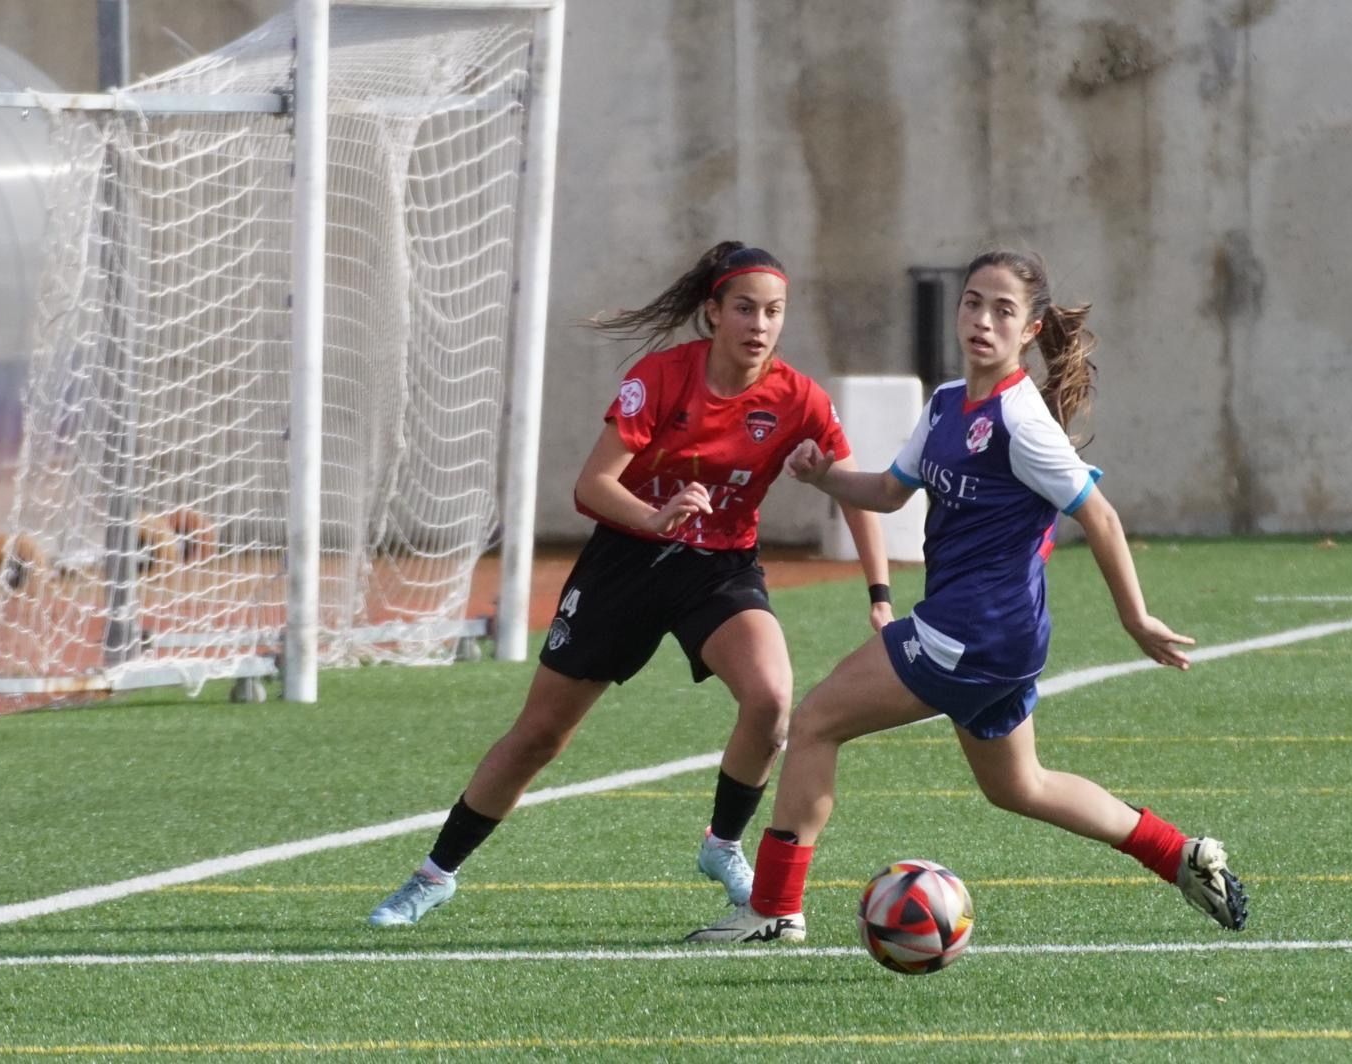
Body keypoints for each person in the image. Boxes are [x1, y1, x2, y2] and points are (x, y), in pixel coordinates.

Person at [687, 249, 1248, 944]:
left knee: (816, 721)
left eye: (1003, 310)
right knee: (1018, 786)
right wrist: (825, 478)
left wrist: (1134, 616)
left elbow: (1098, 514)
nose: (983, 319)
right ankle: (1179, 853)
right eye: (973, 302)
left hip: (971, 632)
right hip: (997, 640)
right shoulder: (949, 403)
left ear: (1031, 330)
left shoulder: (1021, 420)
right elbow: (891, 491)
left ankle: (773, 910)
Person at [369, 241, 894, 927]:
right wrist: (655, 515)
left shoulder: (798, 400)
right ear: (713, 313)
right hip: (626, 563)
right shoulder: (663, 378)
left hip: (719, 569)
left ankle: (722, 845)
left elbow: (852, 489)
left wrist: (880, 597)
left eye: (773, 311)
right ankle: (434, 874)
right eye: (744, 309)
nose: (759, 325)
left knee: (771, 700)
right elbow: (591, 485)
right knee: (540, 736)